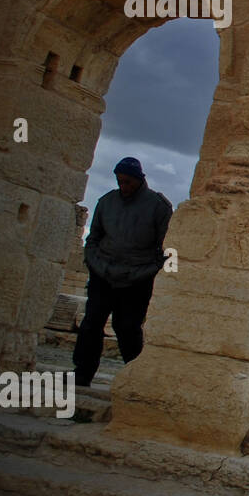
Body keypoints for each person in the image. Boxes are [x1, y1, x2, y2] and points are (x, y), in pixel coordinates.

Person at [73, 157, 173, 387]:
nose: (123, 187)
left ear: (138, 180)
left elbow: (166, 247)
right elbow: (94, 238)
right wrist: (94, 262)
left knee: (126, 327)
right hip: (103, 273)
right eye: (120, 181)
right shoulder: (107, 202)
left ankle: (134, 377)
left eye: (128, 182)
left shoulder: (158, 206)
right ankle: (82, 374)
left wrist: (148, 271)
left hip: (136, 279)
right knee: (91, 323)